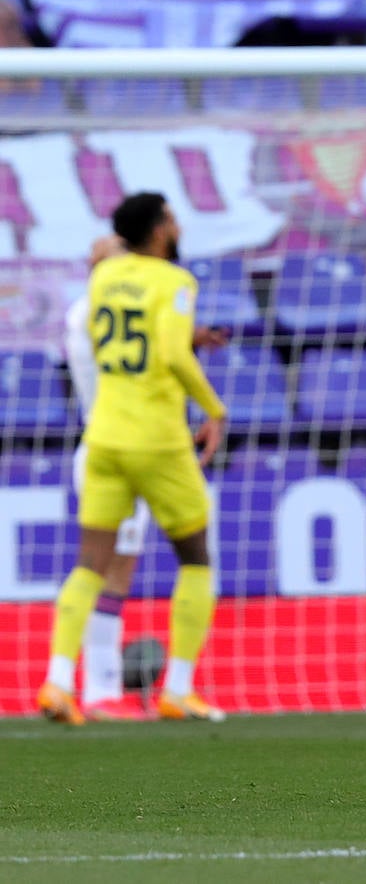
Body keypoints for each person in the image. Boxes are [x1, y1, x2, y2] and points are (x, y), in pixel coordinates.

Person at [36, 192, 229, 726]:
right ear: (160, 229)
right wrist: (213, 407)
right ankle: (164, 688)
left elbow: (131, 334)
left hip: (102, 438)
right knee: (193, 559)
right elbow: (166, 351)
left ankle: (58, 681)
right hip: (156, 440)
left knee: (90, 565)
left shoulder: (99, 289)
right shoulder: (172, 282)